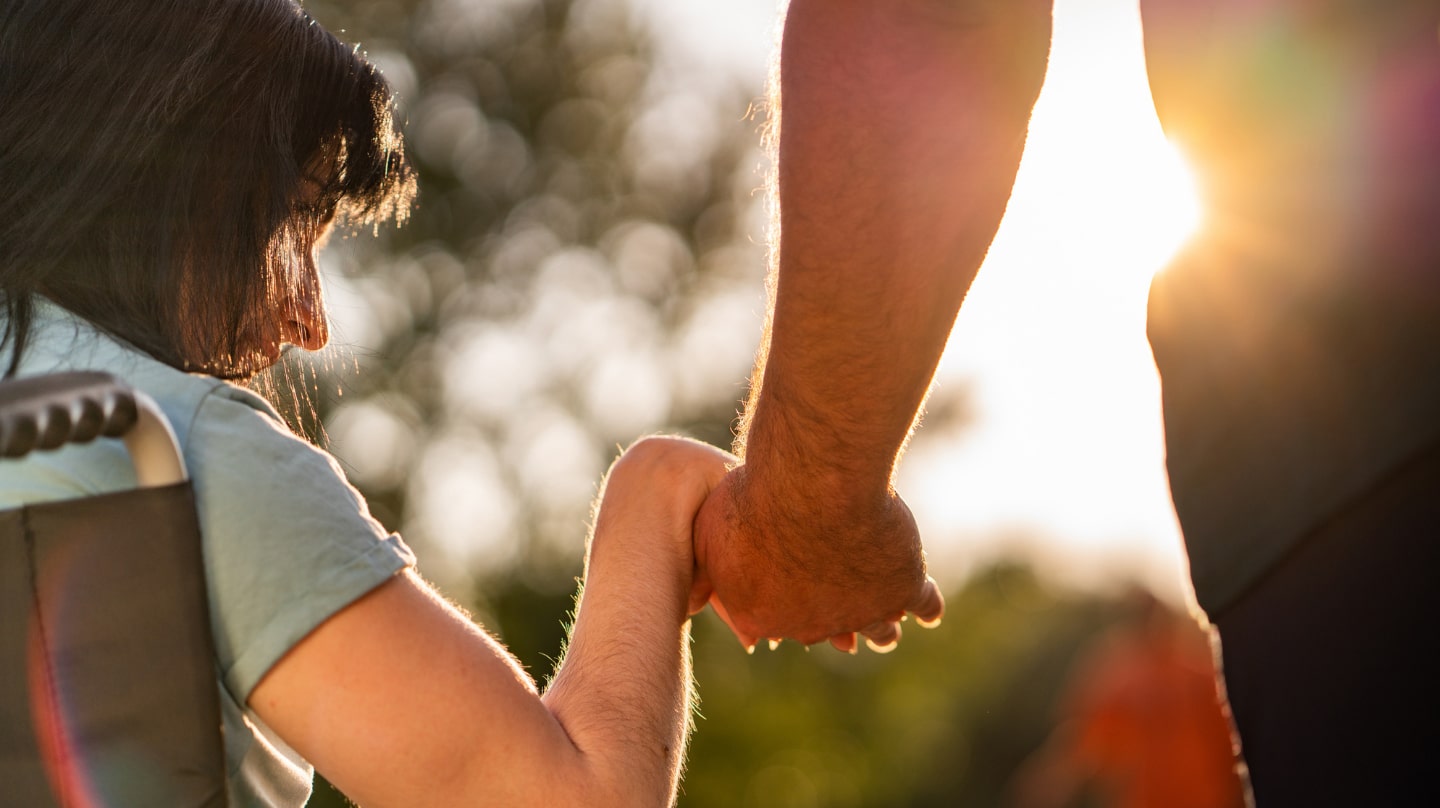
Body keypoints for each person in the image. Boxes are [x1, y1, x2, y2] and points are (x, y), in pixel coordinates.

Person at [693, 0, 1440, 804]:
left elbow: (934, 19)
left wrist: (811, 508)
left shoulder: (1167, 671)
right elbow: (1092, 755)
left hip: (1366, 434)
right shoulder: (1134, 674)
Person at [0, 2, 729, 805]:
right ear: (183, 176)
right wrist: (652, 496)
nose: (308, 319)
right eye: (297, 220)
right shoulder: (173, 448)